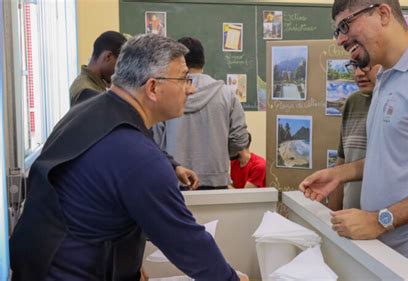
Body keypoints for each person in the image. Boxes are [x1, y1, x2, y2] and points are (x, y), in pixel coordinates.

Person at [10, 34, 248, 281]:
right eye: (184, 79)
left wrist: (127, 261)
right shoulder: (139, 158)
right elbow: (186, 241)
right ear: (153, 88)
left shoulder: (90, 108)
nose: (191, 88)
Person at [299, 1, 408, 280]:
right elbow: (395, 156)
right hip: (391, 253)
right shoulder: (386, 79)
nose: (342, 39)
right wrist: (339, 174)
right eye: (337, 32)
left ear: (382, 13)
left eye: (346, 25)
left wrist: (381, 219)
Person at [154, 37, 248, 190]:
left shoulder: (166, 94)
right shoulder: (227, 94)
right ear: (203, 61)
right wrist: (222, 151)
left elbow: (155, 140)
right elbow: (240, 139)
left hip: (175, 180)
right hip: (217, 180)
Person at [327, 61, 380, 211]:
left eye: (366, 64)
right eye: (354, 66)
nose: (358, 73)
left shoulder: (402, 103)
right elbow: (342, 162)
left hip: (386, 223)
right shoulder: (352, 102)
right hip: (350, 220)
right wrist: (332, 218)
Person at [69, 31, 127, 105]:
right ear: (108, 57)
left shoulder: (94, 85)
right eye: (119, 64)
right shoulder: (86, 91)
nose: (120, 71)